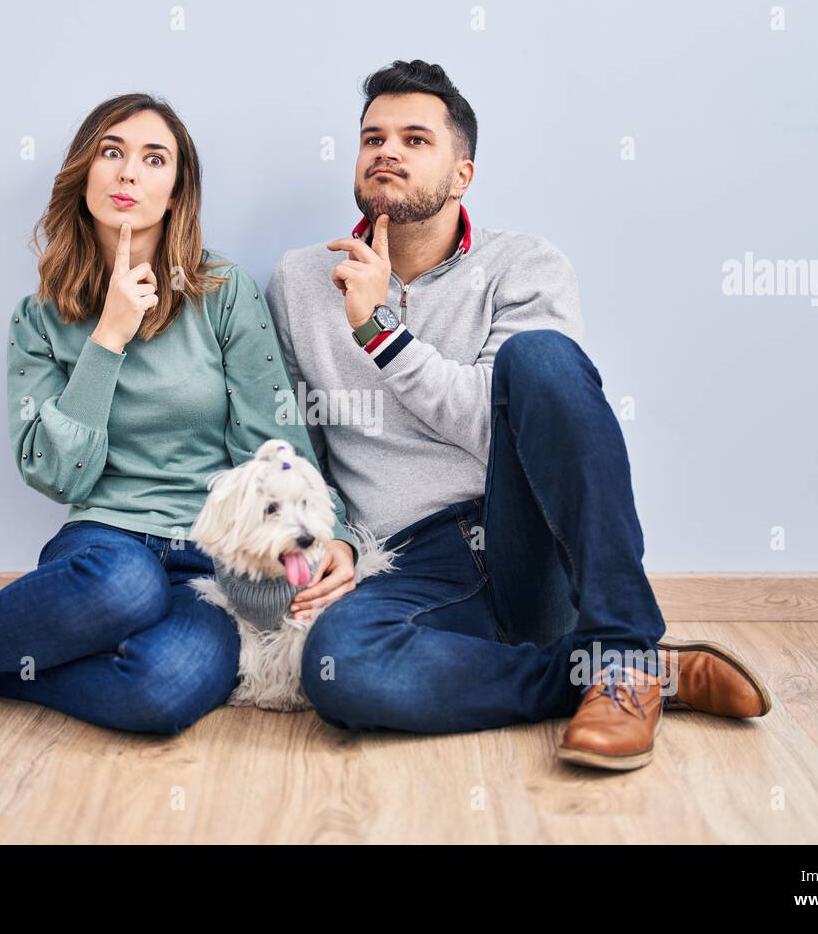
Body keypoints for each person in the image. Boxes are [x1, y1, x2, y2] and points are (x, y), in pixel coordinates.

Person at [0, 93, 359, 733]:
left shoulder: (223, 293)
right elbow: (56, 475)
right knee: (127, 587)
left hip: (209, 558)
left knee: (165, 691)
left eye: (154, 159)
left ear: (176, 190)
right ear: (84, 172)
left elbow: (277, 447)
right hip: (105, 547)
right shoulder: (38, 318)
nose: (130, 172)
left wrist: (338, 535)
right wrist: (107, 338)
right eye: (112, 152)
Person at [265, 60, 771, 771]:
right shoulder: (300, 281)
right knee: (340, 669)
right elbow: (298, 443)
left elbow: (492, 421)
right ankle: (606, 676)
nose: (388, 151)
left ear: (462, 175)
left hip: (523, 539)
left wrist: (380, 332)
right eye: (373, 137)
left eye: (415, 139)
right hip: (407, 561)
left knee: (539, 359)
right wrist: (337, 537)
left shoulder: (525, 265)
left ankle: (621, 654)